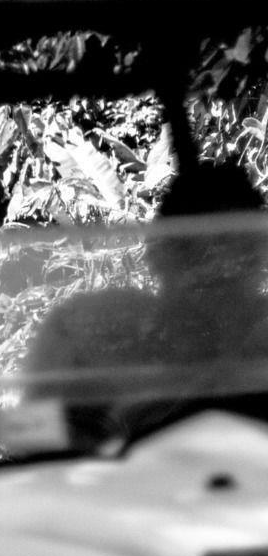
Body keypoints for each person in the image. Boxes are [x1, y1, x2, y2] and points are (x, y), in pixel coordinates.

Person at [27, 162, 268, 440]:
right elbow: (38, 442)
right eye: (191, 252)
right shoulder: (98, 333)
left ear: (257, 255)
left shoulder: (261, 340)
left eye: (236, 250)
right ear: (161, 256)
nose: (215, 266)